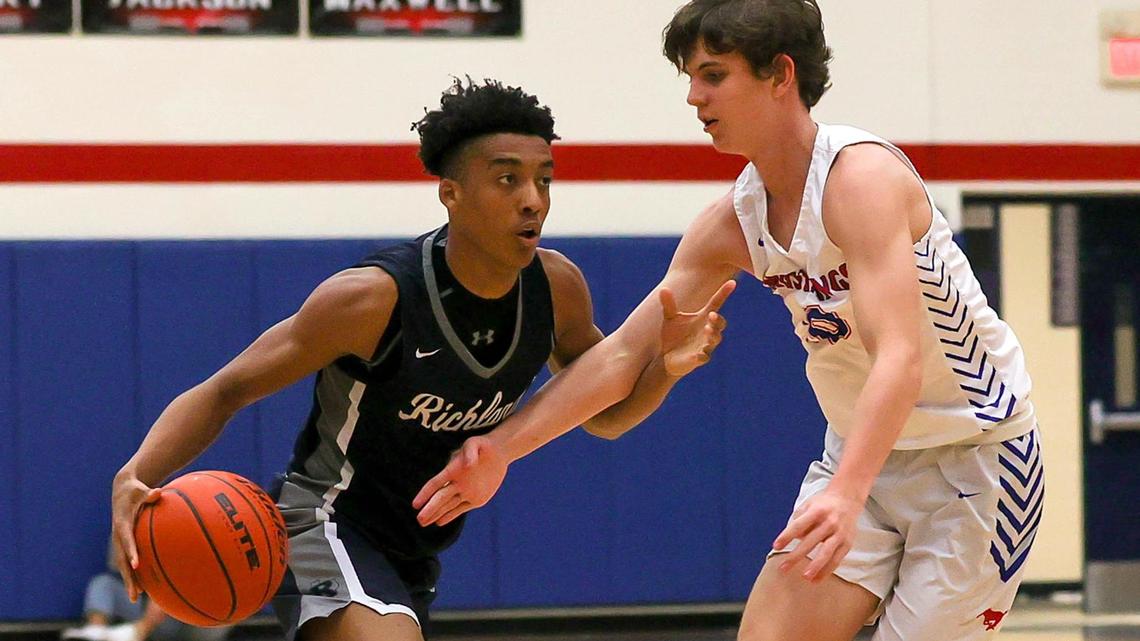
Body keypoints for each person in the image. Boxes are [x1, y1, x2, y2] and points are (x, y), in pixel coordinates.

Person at [413, 3, 1042, 640]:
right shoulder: (731, 223)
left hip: (976, 458)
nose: (693, 95)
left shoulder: (861, 180)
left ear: (780, 75)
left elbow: (900, 359)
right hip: (864, 454)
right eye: (689, 76)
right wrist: (501, 449)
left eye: (713, 75)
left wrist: (847, 495)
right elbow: (621, 356)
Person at [110, 77, 732, 641]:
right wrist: (136, 472)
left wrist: (666, 371)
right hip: (320, 522)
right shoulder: (372, 299)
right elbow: (226, 391)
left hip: (415, 552)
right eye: (508, 178)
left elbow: (605, 415)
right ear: (451, 194)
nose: (533, 199)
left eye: (544, 178)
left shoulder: (557, 289)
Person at [61, 539, 230, 641]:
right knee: (103, 583)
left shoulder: (196, 535)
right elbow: (117, 566)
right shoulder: (130, 521)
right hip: (153, 615)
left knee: (167, 593)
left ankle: (137, 632)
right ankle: (97, 631)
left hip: (202, 623)